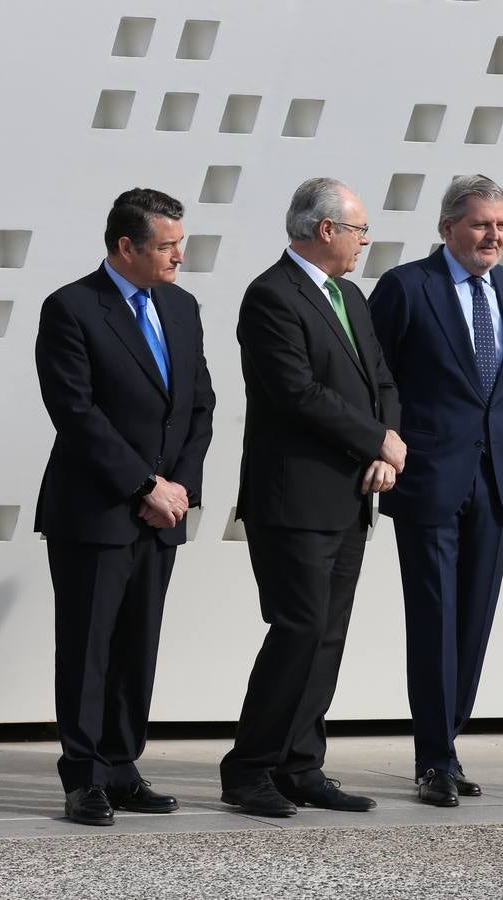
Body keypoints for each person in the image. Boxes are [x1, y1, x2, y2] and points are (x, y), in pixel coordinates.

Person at [220, 177, 403, 817]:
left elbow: (381, 381)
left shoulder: (349, 295)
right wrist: (376, 439)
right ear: (326, 230)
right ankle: (248, 769)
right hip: (293, 499)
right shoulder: (271, 295)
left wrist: (383, 449)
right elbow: (297, 392)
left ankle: (299, 765)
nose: (364, 241)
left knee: (327, 636)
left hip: (351, 494)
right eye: (359, 229)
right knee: (297, 630)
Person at [35, 188, 215, 826]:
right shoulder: (72, 308)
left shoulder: (182, 307)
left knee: (139, 645)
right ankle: (84, 776)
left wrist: (179, 488)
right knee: (88, 647)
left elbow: (200, 404)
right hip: (97, 511)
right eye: (167, 246)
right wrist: (145, 486)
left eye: (179, 244)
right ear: (126, 247)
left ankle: (121, 765)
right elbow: (76, 412)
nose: (179, 256)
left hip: (163, 514)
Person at [369, 175, 503, 807]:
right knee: (434, 619)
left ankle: (448, 740)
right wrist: (382, 446)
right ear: (447, 228)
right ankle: (434, 757)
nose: (493, 236)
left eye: (501, 225)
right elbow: (376, 377)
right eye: (480, 224)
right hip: (427, 476)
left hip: (495, 477)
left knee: (473, 621)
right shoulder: (406, 286)